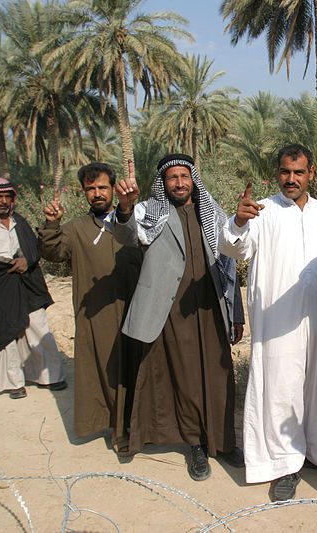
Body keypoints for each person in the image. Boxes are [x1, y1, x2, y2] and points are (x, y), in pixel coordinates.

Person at [221, 144, 317, 502]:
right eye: (284, 172)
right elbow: (235, 249)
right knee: (281, 389)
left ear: (311, 173)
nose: (291, 179)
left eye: (298, 172)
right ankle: (284, 463)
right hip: (278, 321)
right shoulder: (262, 211)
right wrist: (239, 221)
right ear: (275, 173)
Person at [113, 154, 245, 481]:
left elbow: (230, 265)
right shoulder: (149, 212)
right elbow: (127, 236)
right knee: (185, 377)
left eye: (184, 176)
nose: (180, 183)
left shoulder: (213, 214)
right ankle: (195, 444)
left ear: (193, 178)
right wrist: (126, 208)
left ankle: (224, 441)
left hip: (211, 307)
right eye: (172, 178)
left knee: (218, 376)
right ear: (164, 182)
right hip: (171, 311)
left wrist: (237, 312)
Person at [38, 162, 142, 448]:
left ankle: (141, 426)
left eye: (102, 187)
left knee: (139, 369)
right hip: (97, 316)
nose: (97, 194)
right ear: (84, 193)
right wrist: (51, 224)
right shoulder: (76, 229)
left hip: (137, 309)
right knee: (106, 372)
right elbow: (53, 252)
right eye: (90, 189)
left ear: (113, 188)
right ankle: (119, 432)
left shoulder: (136, 219)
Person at [0, 177, 66, 399]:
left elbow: (33, 248)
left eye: (8, 196)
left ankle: (50, 376)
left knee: (37, 325)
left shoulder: (19, 220)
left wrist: (26, 260)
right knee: (6, 331)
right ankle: (13, 382)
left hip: (24, 280)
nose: (4, 201)